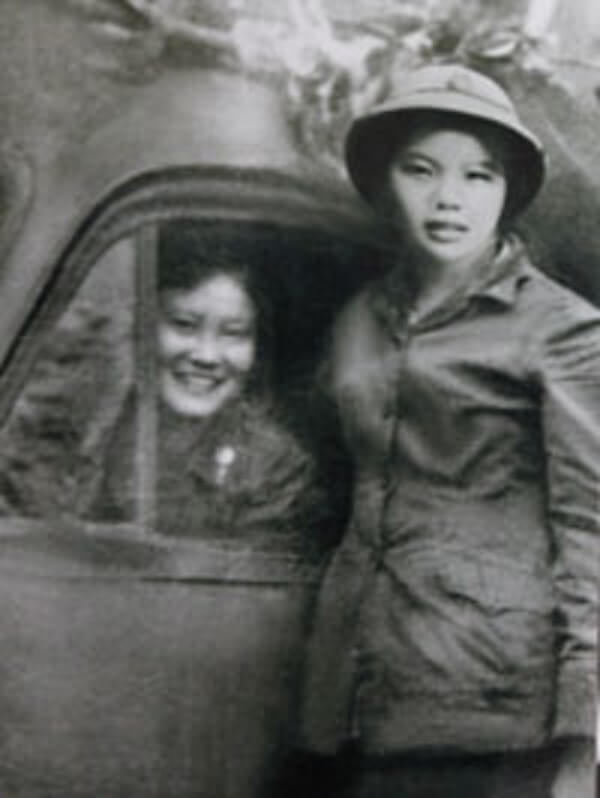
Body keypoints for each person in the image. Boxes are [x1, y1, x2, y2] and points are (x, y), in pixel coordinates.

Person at [291, 65, 599, 797]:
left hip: (491, 704)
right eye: (421, 169)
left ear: (507, 194)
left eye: (479, 175)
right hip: (359, 696)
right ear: (384, 182)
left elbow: (592, 529)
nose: (449, 198)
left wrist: (585, 739)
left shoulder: (562, 331)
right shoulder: (359, 320)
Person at [94, 220, 344, 558]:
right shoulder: (98, 424)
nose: (206, 356)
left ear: (257, 348)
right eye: (184, 325)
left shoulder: (277, 468)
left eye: (234, 333)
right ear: (141, 325)